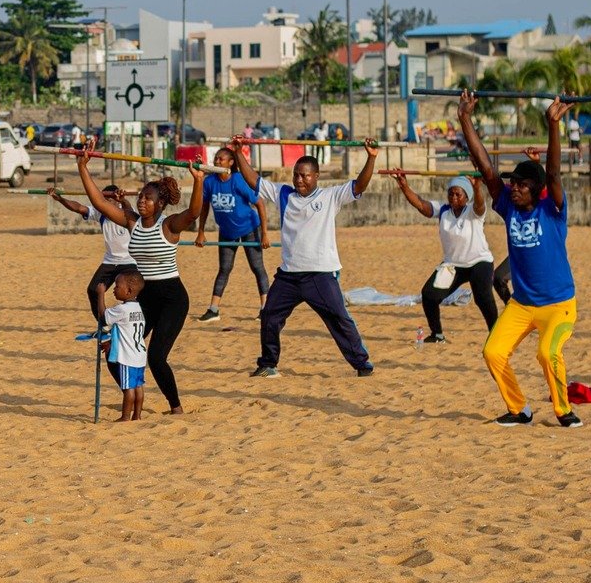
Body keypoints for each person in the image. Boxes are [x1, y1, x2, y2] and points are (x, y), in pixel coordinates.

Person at [458, 92, 580, 427]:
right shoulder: (508, 206)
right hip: (523, 305)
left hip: (559, 305)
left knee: (548, 353)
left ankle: (564, 410)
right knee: (493, 352)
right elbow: (485, 166)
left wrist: (553, 124)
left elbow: (553, 174)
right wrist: (465, 119)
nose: (515, 189)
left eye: (523, 185)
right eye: (513, 183)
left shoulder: (552, 209)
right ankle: (519, 409)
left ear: (537, 189)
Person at [229, 141, 378, 379]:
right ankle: (268, 364)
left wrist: (371, 157)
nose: (299, 180)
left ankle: (362, 363)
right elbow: (254, 180)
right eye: (296, 175)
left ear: (316, 176)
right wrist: (238, 153)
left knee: (339, 319)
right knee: (269, 317)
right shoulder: (284, 194)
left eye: (305, 176)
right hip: (288, 276)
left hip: (320, 274)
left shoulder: (331, 196)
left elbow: (360, 185)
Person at [73, 150, 205, 412]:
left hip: (172, 299)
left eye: (148, 198)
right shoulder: (131, 222)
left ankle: (175, 407)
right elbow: (99, 202)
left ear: (160, 204)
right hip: (144, 300)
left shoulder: (169, 226)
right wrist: (83, 167)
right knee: (113, 353)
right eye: (141, 197)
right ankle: (131, 395)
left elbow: (193, 212)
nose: (142, 201)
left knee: (156, 357)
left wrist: (199, 180)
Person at [385, 170, 499, 340]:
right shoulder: (444, 210)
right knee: (429, 295)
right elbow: (421, 205)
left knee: (483, 297)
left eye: (458, 194)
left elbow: (480, 205)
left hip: (479, 262)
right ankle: (437, 334)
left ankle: (496, 333)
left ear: (466, 197)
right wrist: (404, 186)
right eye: (451, 193)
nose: (453, 197)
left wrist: (477, 188)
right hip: (453, 265)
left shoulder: (473, 211)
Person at [194, 146, 271, 321]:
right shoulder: (210, 182)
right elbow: (204, 207)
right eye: (216, 159)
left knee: (257, 267)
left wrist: (265, 233)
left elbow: (260, 203)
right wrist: (201, 232)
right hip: (227, 231)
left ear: (231, 162)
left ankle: (265, 308)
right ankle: (213, 309)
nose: (217, 162)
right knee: (224, 268)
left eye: (221, 159)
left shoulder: (238, 180)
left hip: (250, 228)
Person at [50, 182, 136, 329]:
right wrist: (61, 199)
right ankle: (104, 326)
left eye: (107, 201)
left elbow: (130, 209)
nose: (103, 205)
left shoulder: (127, 212)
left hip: (129, 261)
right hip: (110, 261)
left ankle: (129, 326)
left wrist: (124, 200)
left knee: (130, 295)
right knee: (92, 290)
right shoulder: (101, 212)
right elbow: (78, 208)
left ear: (116, 200)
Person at [101, 266, 148, 422]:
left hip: (128, 357)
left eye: (117, 286)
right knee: (138, 387)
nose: (114, 290)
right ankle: (138, 415)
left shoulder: (122, 309)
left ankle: (126, 416)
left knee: (128, 389)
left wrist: (100, 295)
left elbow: (104, 317)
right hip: (140, 355)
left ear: (128, 290)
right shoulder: (138, 308)